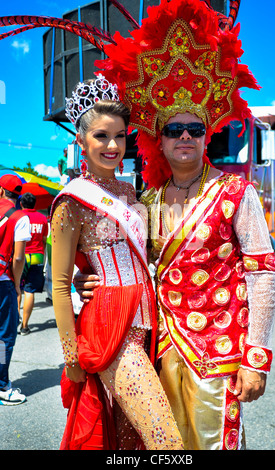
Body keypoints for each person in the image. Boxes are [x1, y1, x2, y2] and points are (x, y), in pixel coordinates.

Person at [73, 0, 275, 450]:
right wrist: (86, 282)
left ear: (208, 135)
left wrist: (256, 359)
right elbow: (122, 265)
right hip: (162, 352)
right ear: (157, 139)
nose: (185, 136)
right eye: (173, 128)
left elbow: (263, 275)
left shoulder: (236, 193)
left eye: (195, 128)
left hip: (221, 358)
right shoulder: (143, 202)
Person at [50, 75, 183, 450]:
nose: (112, 145)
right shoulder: (71, 202)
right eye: (101, 136)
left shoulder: (128, 190)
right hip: (110, 328)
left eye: (120, 136)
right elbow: (60, 284)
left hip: (147, 324)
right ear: (81, 140)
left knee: (129, 442)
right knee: (166, 441)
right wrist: (71, 355)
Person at [0, 175, 31, 405]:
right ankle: (2, 386)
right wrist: (17, 284)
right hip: (3, 282)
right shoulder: (20, 217)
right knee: (4, 337)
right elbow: (18, 257)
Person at [18, 192, 48, 335]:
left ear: (22, 204)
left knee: (17, 288)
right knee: (29, 291)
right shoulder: (42, 218)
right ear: (35, 204)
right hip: (37, 256)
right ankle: (24, 326)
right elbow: (43, 240)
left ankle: (15, 319)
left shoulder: (18, 217)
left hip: (21, 255)